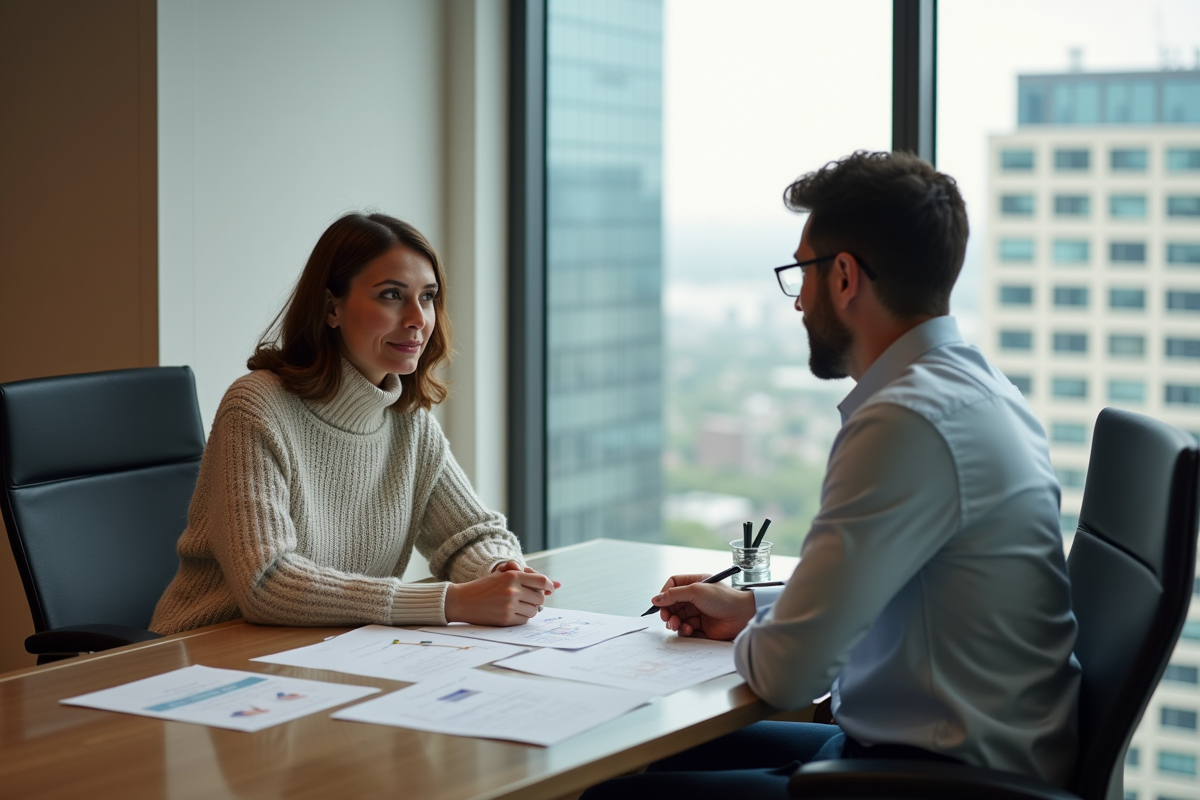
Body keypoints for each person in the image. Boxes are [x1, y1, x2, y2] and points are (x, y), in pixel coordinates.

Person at [582, 151, 1080, 799]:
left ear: (844, 277)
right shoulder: (978, 388)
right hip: (963, 749)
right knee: (659, 760)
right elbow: (889, 586)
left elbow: (787, 675)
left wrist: (776, 631)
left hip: (940, 778)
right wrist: (753, 608)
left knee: (613, 795)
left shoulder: (905, 422)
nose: (798, 304)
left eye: (801, 274)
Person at [151, 212, 558, 635]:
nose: (418, 319)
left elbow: (472, 534)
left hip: (327, 650)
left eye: (428, 296)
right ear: (331, 308)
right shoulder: (257, 407)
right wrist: (449, 601)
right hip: (209, 651)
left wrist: (499, 568)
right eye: (391, 295)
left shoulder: (409, 422)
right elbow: (266, 582)